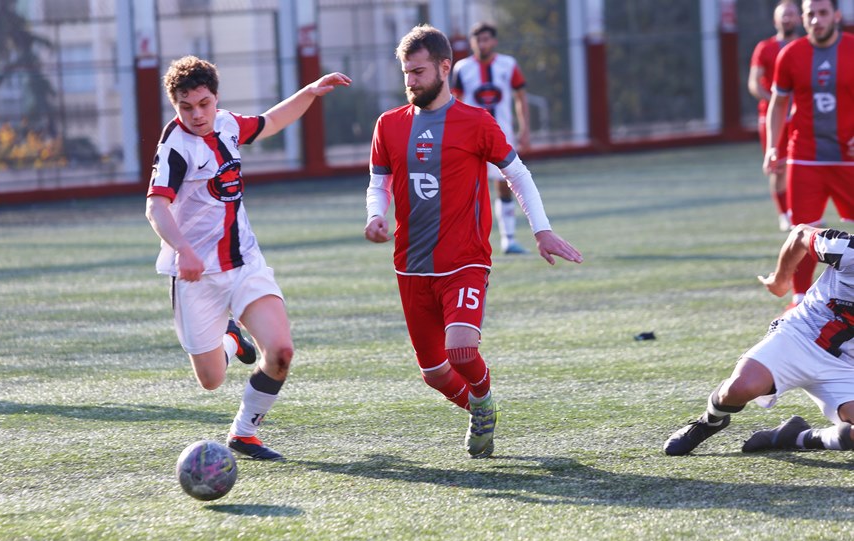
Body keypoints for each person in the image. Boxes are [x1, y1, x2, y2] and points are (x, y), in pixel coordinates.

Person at [364, 25, 583, 458]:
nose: (411, 81)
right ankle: (481, 408)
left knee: (462, 350)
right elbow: (378, 182)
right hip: (411, 264)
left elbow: (517, 174)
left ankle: (481, 399)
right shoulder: (388, 125)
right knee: (433, 372)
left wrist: (541, 229)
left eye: (419, 72)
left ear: (445, 67)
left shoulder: (476, 122)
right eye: (406, 72)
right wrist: (375, 215)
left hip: (465, 259)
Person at [146, 55, 351, 460]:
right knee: (211, 380)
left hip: (244, 263)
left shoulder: (227, 124)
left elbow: (270, 121)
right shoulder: (174, 146)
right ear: (175, 105)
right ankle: (230, 337)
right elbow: (155, 207)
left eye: (204, 104)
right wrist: (184, 251)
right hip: (197, 276)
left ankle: (244, 433)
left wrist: (310, 92)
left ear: (216, 98)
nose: (197, 115)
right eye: (186, 107)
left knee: (281, 351)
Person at [664, 224, 854, 456]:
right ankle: (710, 421)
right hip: (799, 336)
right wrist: (781, 280)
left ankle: (793, 437)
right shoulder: (848, 250)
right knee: (740, 388)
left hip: (845, 366)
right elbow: (800, 234)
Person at [763, 0, 854, 310]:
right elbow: (778, 103)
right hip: (805, 157)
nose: (816, 20)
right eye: (810, 14)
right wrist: (773, 146)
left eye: (823, 13)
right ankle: (800, 299)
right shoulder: (791, 54)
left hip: (847, 157)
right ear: (802, 18)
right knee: (802, 229)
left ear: (836, 16)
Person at [452, 21, 531, 255]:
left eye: (486, 39)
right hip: (470, 138)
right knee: (468, 189)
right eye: (478, 40)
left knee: (505, 185)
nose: (482, 44)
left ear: (494, 41)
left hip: (502, 135)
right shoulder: (462, 68)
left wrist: (525, 129)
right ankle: (466, 243)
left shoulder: (508, 64)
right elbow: (455, 103)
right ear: (472, 42)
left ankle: (508, 240)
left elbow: (520, 97)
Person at [748, 0, 801, 232]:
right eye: (783, 15)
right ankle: (784, 214)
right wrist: (776, 102)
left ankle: (798, 212)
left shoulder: (806, 47)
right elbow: (753, 83)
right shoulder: (765, 48)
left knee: (800, 166)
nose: (787, 19)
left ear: (799, 18)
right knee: (777, 166)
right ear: (775, 20)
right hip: (774, 118)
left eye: (791, 14)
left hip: (801, 116)